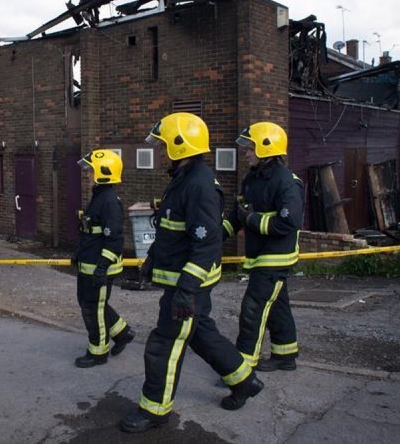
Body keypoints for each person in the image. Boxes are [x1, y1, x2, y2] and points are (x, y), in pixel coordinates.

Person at [120, 112, 263, 434]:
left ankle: (154, 410)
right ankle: (245, 380)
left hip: (188, 287)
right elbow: (172, 231)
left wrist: (186, 290)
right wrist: (151, 262)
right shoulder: (184, 179)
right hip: (184, 283)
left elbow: (207, 244)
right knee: (201, 334)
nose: (159, 151)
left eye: (163, 145)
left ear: (179, 146)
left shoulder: (198, 185)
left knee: (163, 345)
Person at [223, 122, 304, 372]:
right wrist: (215, 237)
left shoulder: (287, 181)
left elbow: (289, 221)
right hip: (260, 256)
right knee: (277, 305)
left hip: (276, 257)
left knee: (253, 308)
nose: (246, 153)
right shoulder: (252, 178)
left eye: (251, 148)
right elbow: (240, 214)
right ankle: (285, 354)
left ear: (266, 149)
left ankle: (242, 367)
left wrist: (253, 220)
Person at [72, 149, 135, 368]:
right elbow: (93, 232)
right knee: (90, 304)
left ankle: (98, 352)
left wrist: (102, 267)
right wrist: (79, 254)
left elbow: (114, 239)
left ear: (103, 172)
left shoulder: (108, 201)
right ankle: (123, 332)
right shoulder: (99, 197)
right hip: (89, 265)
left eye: (91, 170)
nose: (87, 174)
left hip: (98, 269)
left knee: (93, 309)